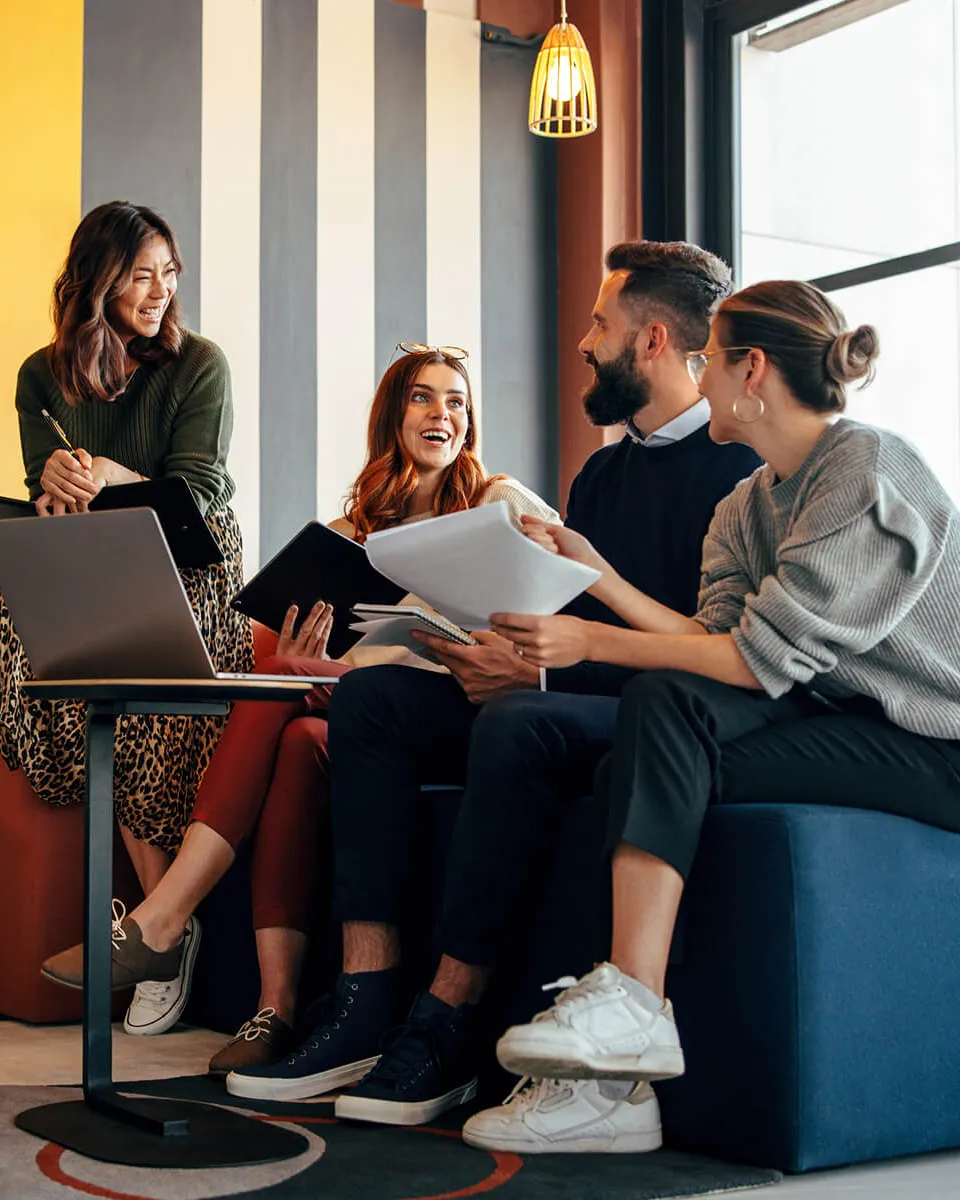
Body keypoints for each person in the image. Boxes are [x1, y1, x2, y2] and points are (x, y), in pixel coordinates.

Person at [226, 241, 761, 1147]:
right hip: (561, 688)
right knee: (371, 707)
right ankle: (364, 998)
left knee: (519, 720)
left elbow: (713, 656)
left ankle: (449, 1020)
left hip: (652, 717)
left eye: (600, 324)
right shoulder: (600, 474)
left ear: (655, 340)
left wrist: (541, 674)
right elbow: (553, 609)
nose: (584, 344)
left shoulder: (739, 473)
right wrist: (495, 651)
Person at [484, 280, 960, 1141]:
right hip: (840, 721)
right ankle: (619, 1087)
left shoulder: (866, 469)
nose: (696, 380)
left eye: (709, 362)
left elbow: (751, 658)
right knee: (647, 737)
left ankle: (628, 1017)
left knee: (659, 719)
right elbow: (709, 643)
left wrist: (591, 643)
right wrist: (594, 571)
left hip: (935, 746)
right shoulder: (745, 506)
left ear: (754, 371)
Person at [42, 345, 558, 1069]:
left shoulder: (497, 501)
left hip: (465, 709)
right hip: (363, 719)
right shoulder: (349, 537)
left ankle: (163, 921)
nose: (442, 413)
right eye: (422, 397)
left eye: (456, 401)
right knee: (288, 712)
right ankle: (274, 1009)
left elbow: (558, 595)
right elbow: (340, 668)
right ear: (392, 416)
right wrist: (300, 657)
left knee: (295, 694)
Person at [1, 201, 252, 1034]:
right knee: (42, 640)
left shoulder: (199, 364)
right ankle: (163, 929)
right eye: (142, 274)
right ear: (97, 280)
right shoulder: (41, 376)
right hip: (99, 558)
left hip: (191, 563)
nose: (160, 289)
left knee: (136, 686)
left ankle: (158, 928)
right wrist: (59, 489)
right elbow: (47, 487)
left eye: (168, 273)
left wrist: (111, 472)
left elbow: (203, 491)